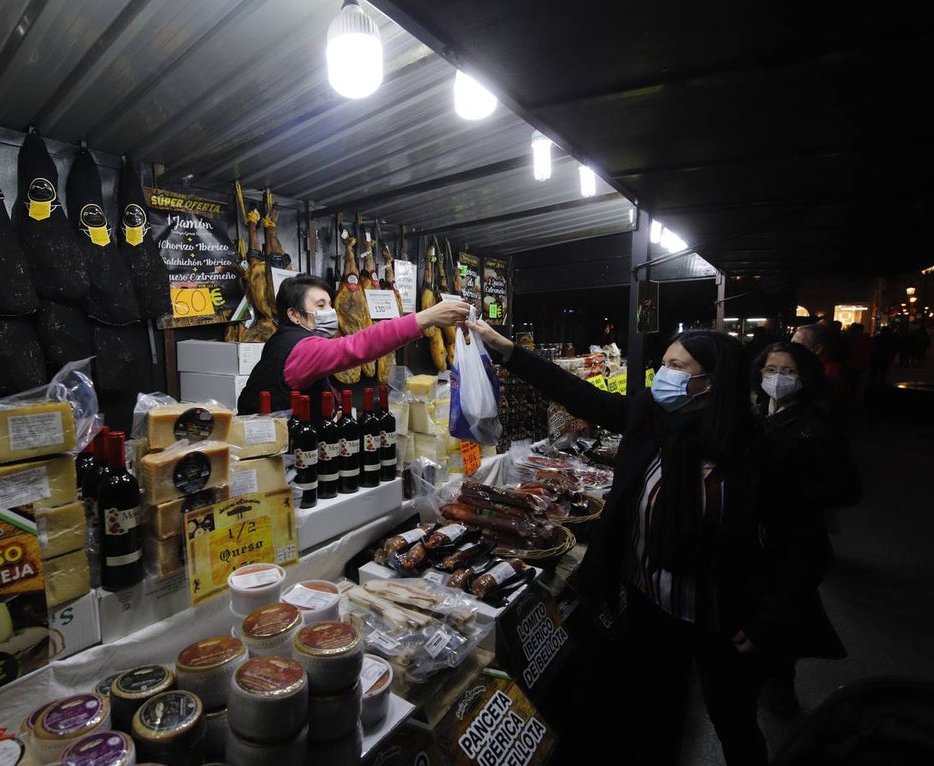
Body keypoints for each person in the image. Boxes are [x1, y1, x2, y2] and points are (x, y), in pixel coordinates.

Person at [465, 321, 779, 766]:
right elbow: (581, 395)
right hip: (649, 604)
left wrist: (768, 614)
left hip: (722, 615)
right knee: (653, 713)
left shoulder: (756, 450)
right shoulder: (653, 420)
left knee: (734, 720)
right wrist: (509, 351)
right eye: (664, 363)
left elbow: (795, 543)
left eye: (676, 366)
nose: (664, 375)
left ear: (713, 381)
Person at [750, 342, 861, 719]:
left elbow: (848, 489)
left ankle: (781, 690)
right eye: (769, 370)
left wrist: (791, 492)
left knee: (783, 614)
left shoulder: (815, 427)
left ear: (805, 376)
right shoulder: (760, 414)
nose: (777, 379)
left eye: (788, 371)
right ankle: (767, 678)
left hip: (794, 543)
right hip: (762, 539)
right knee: (766, 612)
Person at [237, 274, 470, 418]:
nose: (330, 312)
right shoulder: (300, 348)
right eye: (320, 305)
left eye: (329, 304)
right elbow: (356, 346)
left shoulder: (284, 341)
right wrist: (424, 318)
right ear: (294, 315)